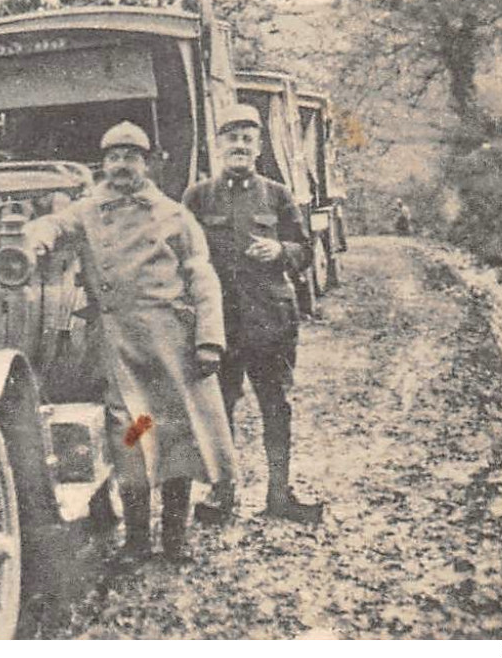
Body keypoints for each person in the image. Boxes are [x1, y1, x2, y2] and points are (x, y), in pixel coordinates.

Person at [26, 122, 236, 562]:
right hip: (119, 346)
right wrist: (31, 241)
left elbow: (202, 278)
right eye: (114, 157)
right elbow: (53, 227)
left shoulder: (174, 215)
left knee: (177, 436)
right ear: (103, 165)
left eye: (131, 156)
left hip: (170, 344)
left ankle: (175, 538)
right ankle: (138, 540)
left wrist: (209, 341)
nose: (122, 165)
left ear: (147, 163)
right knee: (131, 437)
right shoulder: (87, 210)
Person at [183, 104, 325, 525]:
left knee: (276, 406)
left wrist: (281, 251)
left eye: (248, 138)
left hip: (270, 322)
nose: (240, 145)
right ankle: (222, 494)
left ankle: (279, 494)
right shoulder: (198, 197)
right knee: (218, 408)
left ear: (259, 146)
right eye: (232, 138)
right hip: (219, 324)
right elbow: (180, 254)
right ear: (218, 145)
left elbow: (305, 249)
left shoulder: (278, 195)